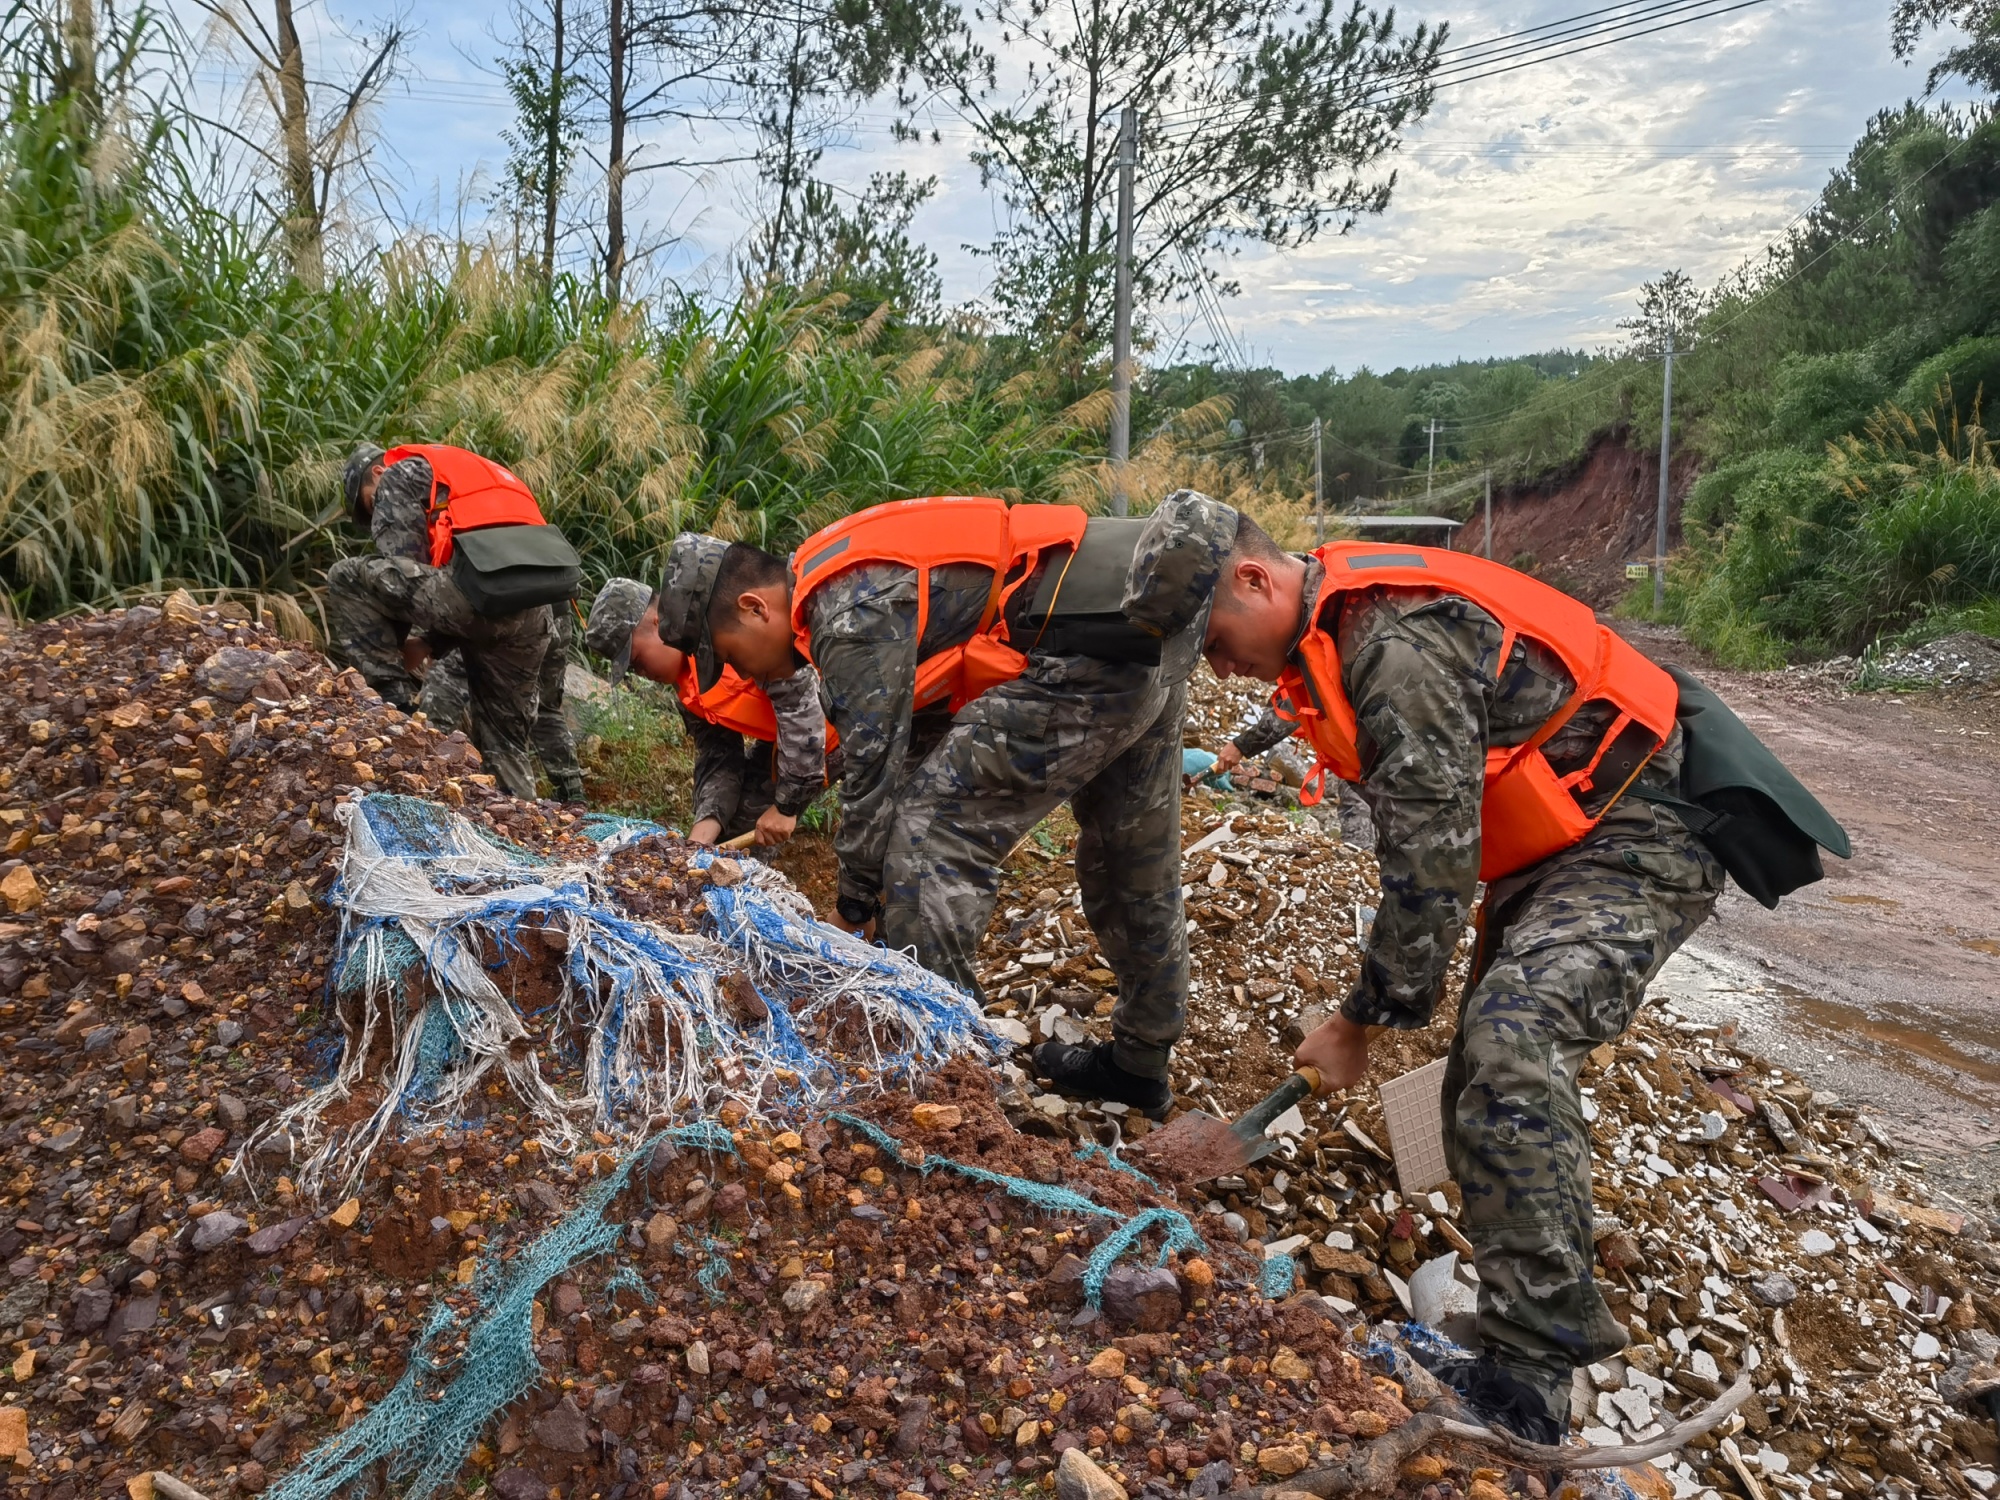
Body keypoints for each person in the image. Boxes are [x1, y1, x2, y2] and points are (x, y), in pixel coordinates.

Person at [1198, 515, 1845, 1443]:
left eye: (1215, 645)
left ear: (1258, 583)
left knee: (1513, 1041)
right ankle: (1522, 1322)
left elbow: (1428, 865)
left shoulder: (1397, 643)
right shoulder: (1323, 633)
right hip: (1562, 843)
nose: (1220, 670)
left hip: (1643, 828)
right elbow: (1319, 729)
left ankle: (1533, 1376)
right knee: (1480, 1072)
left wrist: (1361, 1023)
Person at [652, 491, 1242, 1117]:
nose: (748, 672)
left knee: (932, 837)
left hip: (1083, 657)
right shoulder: (837, 570)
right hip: (1134, 640)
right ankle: (1139, 1064)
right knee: (1132, 858)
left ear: (753, 607)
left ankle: (956, 1072)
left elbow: (872, 770)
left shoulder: (846, 612)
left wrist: (856, 900)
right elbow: (923, 732)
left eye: (733, 652)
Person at [327, 443, 560, 801]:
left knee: (346, 576)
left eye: (370, 505)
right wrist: (430, 643)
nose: (376, 514)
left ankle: (391, 710)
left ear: (376, 473)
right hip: (535, 617)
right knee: (506, 744)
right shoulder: (475, 472)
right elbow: (482, 579)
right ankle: (522, 826)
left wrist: (396, 648)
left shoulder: (396, 475)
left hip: (476, 602)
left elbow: (399, 570)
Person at [581, 575, 823, 846]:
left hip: (834, 728)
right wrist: (699, 841)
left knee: (864, 846)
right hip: (782, 740)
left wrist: (787, 805)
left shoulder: (726, 628)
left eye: (636, 660)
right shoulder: (686, 689)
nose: (641, 674)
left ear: (657, 622)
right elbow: (719, 755)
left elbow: (803, 699)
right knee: (730, 838)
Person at [422, 610, 584, 803]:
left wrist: (432, 641)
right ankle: (572, 792)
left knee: (451, 682)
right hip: (556, 614)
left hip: (506, 613)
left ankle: (425, 764)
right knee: (546, 707)